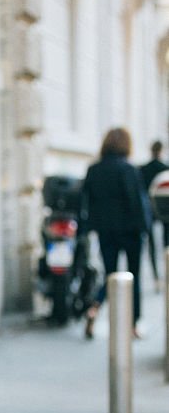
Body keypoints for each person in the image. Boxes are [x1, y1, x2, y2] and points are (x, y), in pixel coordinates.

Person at [79, 127, 149, 340]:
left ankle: (95, 307)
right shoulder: (128, 170)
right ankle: (132, 325)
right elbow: (136, 202)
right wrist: (143, 228)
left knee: (111, 276)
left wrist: (91, 226)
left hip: (105, 231)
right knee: (133, 277)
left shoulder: (94, 170)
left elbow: (86, 201)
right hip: (130, 231)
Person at [139, 139, 169, 290]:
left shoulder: (143, 169)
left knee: (151, 244)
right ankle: (166, 273)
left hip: (148, 211)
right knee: (166, 242)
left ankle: (157, 276)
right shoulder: (165, 168)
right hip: (165, 210)